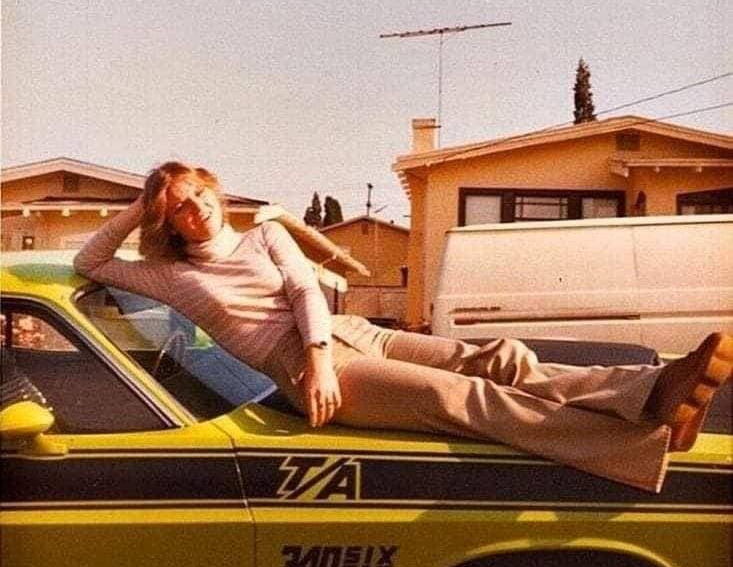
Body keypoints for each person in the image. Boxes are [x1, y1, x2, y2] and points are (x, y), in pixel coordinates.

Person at [74, 161, 732, 493]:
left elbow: (304, 289)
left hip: (341, 334)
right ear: (166, 219)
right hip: (302, 369)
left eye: (197, 193)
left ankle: (653, 392)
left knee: (498, 356)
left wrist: (324, 349)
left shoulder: (267, 234)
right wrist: (139, 202)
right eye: (178, 207)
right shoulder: (170, 275)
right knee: (459, 397)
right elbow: (90, 262)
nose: (194, 208)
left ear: (215, 190)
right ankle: (639, 443)